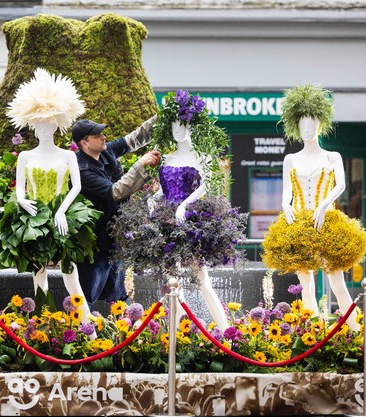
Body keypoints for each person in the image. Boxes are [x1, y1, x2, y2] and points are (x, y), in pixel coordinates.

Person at [112, 90, 247, 331]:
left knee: (202, 281)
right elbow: (165, 189)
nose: (177, 129)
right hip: (166, 224)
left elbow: (207, 185)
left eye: (181, 124)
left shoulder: (202, 157)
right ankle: (175, 338)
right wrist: (153, 200)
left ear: (191, 125)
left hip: (191, 223)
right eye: (173, 124)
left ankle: (228, 334)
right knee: (173, 284)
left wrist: (185, 204)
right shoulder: (167, 158)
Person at [0, 68, 101, 327]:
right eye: (38, 124)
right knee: (38, 276)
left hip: (63, 218)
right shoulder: (25, 156)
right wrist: (21, 200)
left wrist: (61, 210)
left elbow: (76, 186)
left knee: (71, 276)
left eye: (47, 123)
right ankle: (41, 327)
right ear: (32, 124)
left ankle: (88, 328)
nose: (42, 128)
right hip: (33, 219)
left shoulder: (68, 155)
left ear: (55, 124)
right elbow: (20, 188)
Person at [262, 84, 366, 332]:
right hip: (299, 224)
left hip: (326, 221)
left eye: (311, 123)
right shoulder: (291, 159)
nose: (306, 129)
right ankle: (312, 334)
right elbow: (287, 190)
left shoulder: (332, 156)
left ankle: (357, 333)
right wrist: (284, 204)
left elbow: (340, 184)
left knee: (337, 282)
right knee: (306, 284)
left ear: (321, 125)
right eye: (302, 124)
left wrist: (324, 205)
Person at [72, 113, 160, 310]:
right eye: (97, 135)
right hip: (94, 245)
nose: (103, 137)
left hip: (115, 239)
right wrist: (141, 164)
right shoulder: (82, 170)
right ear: (84, 143)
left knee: (119, 296)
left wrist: (162, 118)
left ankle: (127, 325)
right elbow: (116, 192)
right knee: (85, 299)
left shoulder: (105, 151)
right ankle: (80, 327)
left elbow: (134, 138)